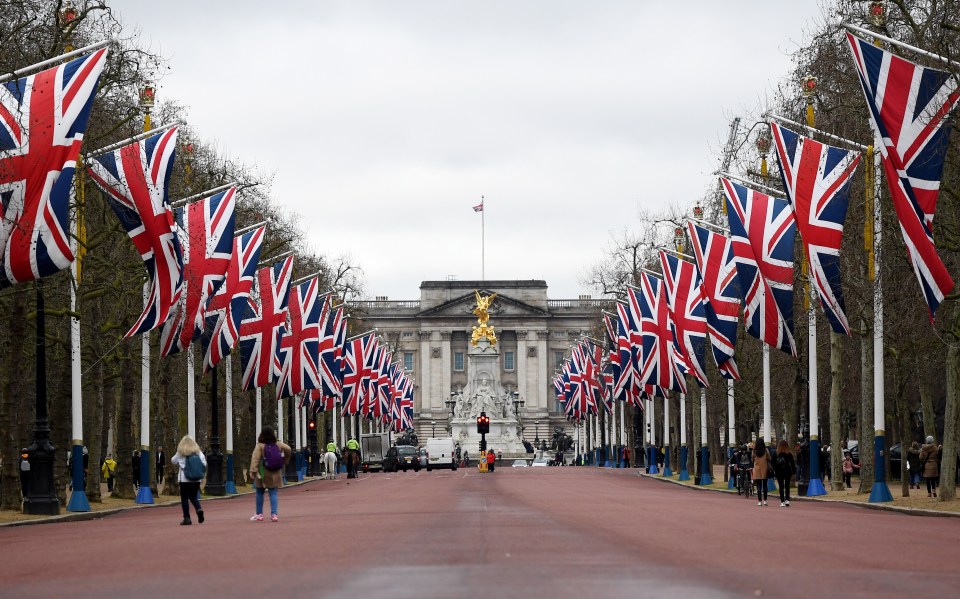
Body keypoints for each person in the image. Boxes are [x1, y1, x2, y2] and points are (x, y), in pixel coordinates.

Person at [249, 426, 292, 522]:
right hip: (275, 471)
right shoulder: (278, 444)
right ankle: (274, 514)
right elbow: (288, 449)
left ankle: (260, 514)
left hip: (263, 472)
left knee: (260, 492)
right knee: (273, 493)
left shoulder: (260, 445)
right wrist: (285, 460)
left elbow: (255, 458)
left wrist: (253, 470)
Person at [170, 436, 206, 525]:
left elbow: (173, 461)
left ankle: (187, 518)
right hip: (196, 479)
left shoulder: (181, 453)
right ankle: (198, 509)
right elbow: (204, 463)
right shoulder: (198, 452)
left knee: (184, 498)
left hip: (184, 479)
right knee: (193, 497)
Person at [773, 440, 796, 507]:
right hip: (787, 470)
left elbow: (773, 463)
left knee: (781, 486)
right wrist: (794, 471)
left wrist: (774, 469)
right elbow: (792, 463)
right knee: (787, 486)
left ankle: (782, 501)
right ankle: (787, 500)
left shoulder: (776, 453)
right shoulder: (789, 453)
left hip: (778, 471)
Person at [752, 440, 771, 506]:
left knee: (758, 486)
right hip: (764, 469)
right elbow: (769, 458)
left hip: (757, 469)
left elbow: (752, 459)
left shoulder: (754, 451)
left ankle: (759, 501)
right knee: (765, 486)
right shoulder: (766, 450)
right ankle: (765, 500)